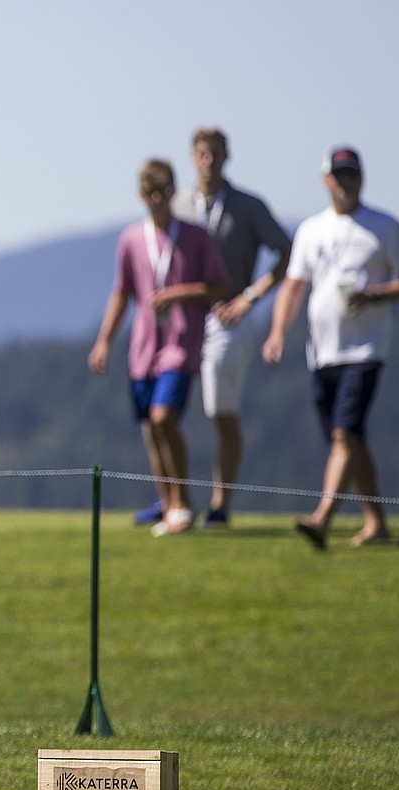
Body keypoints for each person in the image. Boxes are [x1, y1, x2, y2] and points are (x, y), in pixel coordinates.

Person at [263, 146, 399, 549]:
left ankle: (322, 519)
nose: (346, 181)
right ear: (326, 180)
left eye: (352, 174)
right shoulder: (311, 230)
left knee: (343, 436)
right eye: (339, 175)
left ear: (361, 178)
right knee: (352, 440)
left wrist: (374, 296)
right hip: (322, 352)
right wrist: (278, 332)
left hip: (365, 349)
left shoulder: (384, 226)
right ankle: (377, 524)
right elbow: (295, 285)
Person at [89, 159, 230, 536]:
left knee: (164, 418)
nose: (157, 200)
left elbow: (219, 287)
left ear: (172, 193)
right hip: (144, 349)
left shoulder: (196, 237)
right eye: (151, 194)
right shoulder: (131, 240)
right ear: (141, 196)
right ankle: (168, 505)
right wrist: (103, 340)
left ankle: (182, 502)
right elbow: (122, 292)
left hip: (182, 344)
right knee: (150, 430)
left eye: (164, 193)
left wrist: (179, 294)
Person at [170, 127, 292, 528]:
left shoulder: (247, 206)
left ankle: (220, 503)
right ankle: (173, 498)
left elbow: (286, 252)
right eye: (203, 154)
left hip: (228, 317)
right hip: (183, 320)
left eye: (216, 154)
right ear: (193, 157)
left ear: (227, 157)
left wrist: (251, 297)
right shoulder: (179, 205)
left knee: (219, 410)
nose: (209, 161)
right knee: (165, 409)